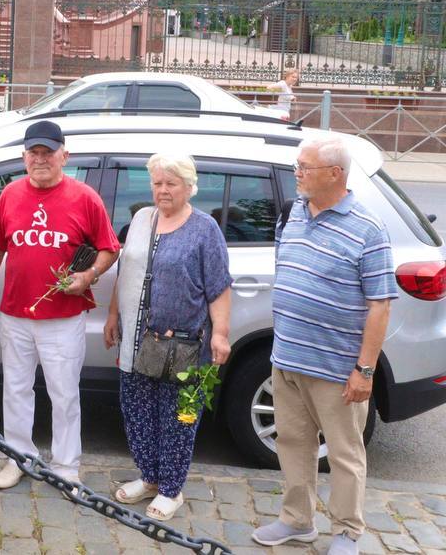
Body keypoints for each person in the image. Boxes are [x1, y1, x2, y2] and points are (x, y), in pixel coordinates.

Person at [253, 138, 396, 555]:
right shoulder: (293, 213)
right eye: (297, 165)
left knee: (345, 454)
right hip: (287, 360)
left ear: (335, 174)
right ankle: (297, 521)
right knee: (293, 444)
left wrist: (365, 370)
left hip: (337, 370)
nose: (297, 173)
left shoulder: (368, 229)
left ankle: (347, 532)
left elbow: (380, 306)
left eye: (305, 167)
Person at [0, 119, 120, 490]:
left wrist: (88, 276)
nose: (40, 159)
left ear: (64, 156)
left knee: (63, 393)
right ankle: (18, 457)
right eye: (33, 153)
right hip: (15, 313)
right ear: (24, 158)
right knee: (15, 389)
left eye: (48, 153)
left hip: (63, 317)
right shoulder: (10, 195)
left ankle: (66, 465)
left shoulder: (84, 197)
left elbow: (109, 248)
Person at [103, 153, 232, 520]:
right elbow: (126, 272)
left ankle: (172, 490)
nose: (163, 190)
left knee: (179, 418)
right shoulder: (142, 219)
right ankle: (150, 479)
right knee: (137, 412)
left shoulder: (204, 229)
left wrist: (220, 334)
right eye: (157, 183)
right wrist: (113, 315)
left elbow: (219, 288)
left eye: (171, 183)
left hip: (186, 346)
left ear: (189, 187)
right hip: (138, 342)